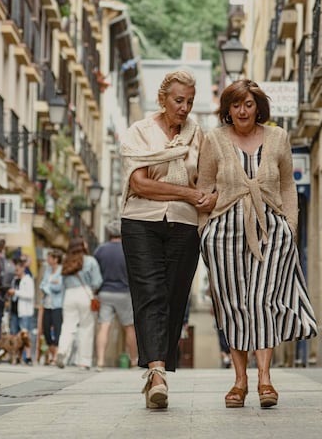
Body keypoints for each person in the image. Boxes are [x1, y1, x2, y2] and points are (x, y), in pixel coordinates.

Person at [197, 79, 318, 409]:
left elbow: (288, 187)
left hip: (271, 230)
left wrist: (290, 228)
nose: (241, 111)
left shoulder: (278, 137)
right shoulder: (214, 139)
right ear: (227, 110)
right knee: (233, 304)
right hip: (223, 233)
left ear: (258, 107)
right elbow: (204, 187)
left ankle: (265, 378)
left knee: (263, 299)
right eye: (235, 105)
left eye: (248, 104)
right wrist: (205, 234)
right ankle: (240, 381)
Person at [120, 69, 215, 409]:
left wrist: (207, 198)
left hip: (185, 225)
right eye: (179, 100)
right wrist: (187, 194)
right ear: (162, 99)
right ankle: (156, 374)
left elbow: (207, 181)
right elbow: (140, 184)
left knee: (174, 298)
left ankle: (156, 369)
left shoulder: (197, 134)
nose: (185, 108)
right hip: (140, 221)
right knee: (150, 294)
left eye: (190, 101)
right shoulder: (139, 132)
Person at [93, 221, 138, 371]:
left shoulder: (100, 250)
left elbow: (95, 272)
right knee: (129, 327)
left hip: (105, 292)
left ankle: (100, 361)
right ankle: (134, 361)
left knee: (104, 326)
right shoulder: (129, 249)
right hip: (124, 293)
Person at [56, 237, 103, 370]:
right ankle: (83, 361)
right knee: (86, 328)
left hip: (69, 295)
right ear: (82, 245)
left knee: (67, 326)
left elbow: (62, 283)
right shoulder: (90, 261)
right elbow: (97, 281)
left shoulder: (66, 261)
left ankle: (62, 352)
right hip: (85, 294)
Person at [8, 258, 35, 364]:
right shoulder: (14, 280)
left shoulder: (28, 280)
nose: (16, 272)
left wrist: (16, 292)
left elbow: (30, 295)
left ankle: (28, 357)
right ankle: (15, 357)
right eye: (15, 270)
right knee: (14, 335)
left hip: (24, 312)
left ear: (23, 268)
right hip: (14, 310)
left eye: (18, 270)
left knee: (25, 335)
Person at [39, 249, 64, 365]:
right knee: (46, 330)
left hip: (57, 305)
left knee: (58, 331)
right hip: (47, 304)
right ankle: (52, 352)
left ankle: (54, 356)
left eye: (50, 257)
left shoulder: (61, 271)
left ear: (56, 259)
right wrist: (50, 285)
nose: (48, 260)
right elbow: (42, 285)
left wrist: (48, 287)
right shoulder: (47, 270)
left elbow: (59, 287)